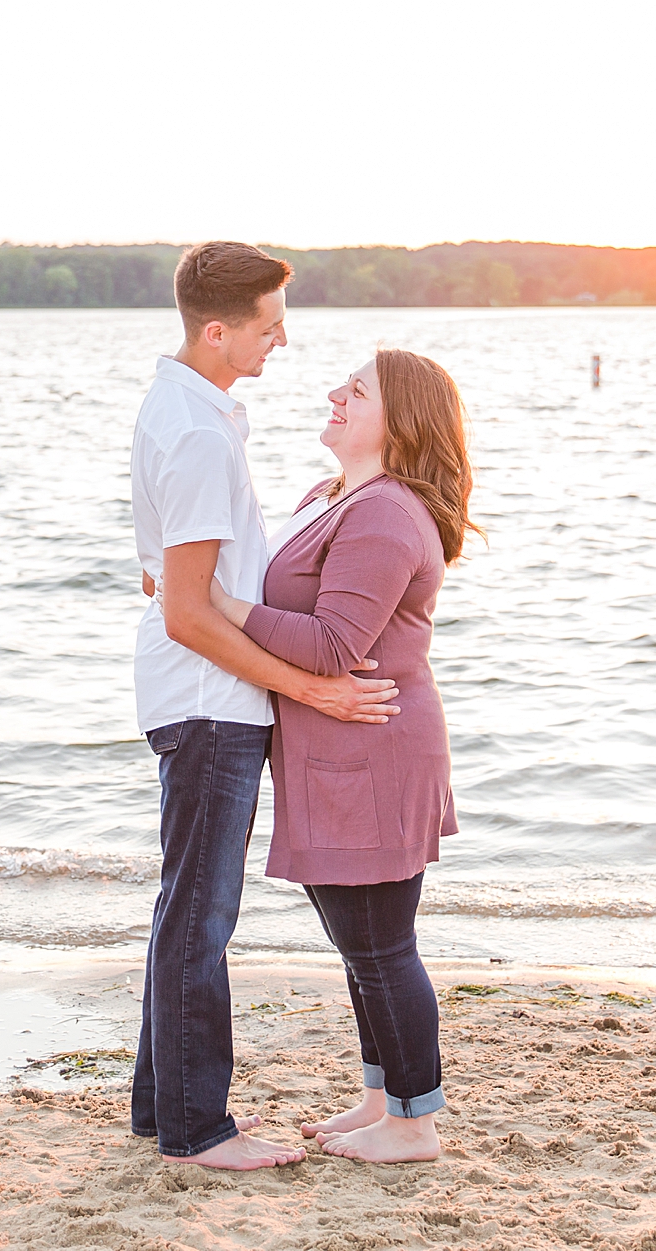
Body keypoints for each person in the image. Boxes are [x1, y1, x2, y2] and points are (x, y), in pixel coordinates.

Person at [129, 242, 402, 1170]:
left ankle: (157, 1108)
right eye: (268, 324)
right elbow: (190, 617)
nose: (283, 341)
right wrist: (311, 685)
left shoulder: (186, 410)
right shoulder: (201, 433)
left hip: (200, 694)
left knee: (184, 910)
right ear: (217, 330)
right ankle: (199, 1129)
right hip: (211, 700)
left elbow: (183, 584)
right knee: (202, 919)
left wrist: (179, 590)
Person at [207, 348, 476, 1163]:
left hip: (376, 751)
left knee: (380, 942)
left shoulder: (386, 513)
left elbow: (333, 644)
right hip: (334, 753)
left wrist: (214, 604)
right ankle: (380, 1098)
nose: (333, 394)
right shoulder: (331, 496)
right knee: (356, 939)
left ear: (399, 422)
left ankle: (415, 1124)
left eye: (355, 392)